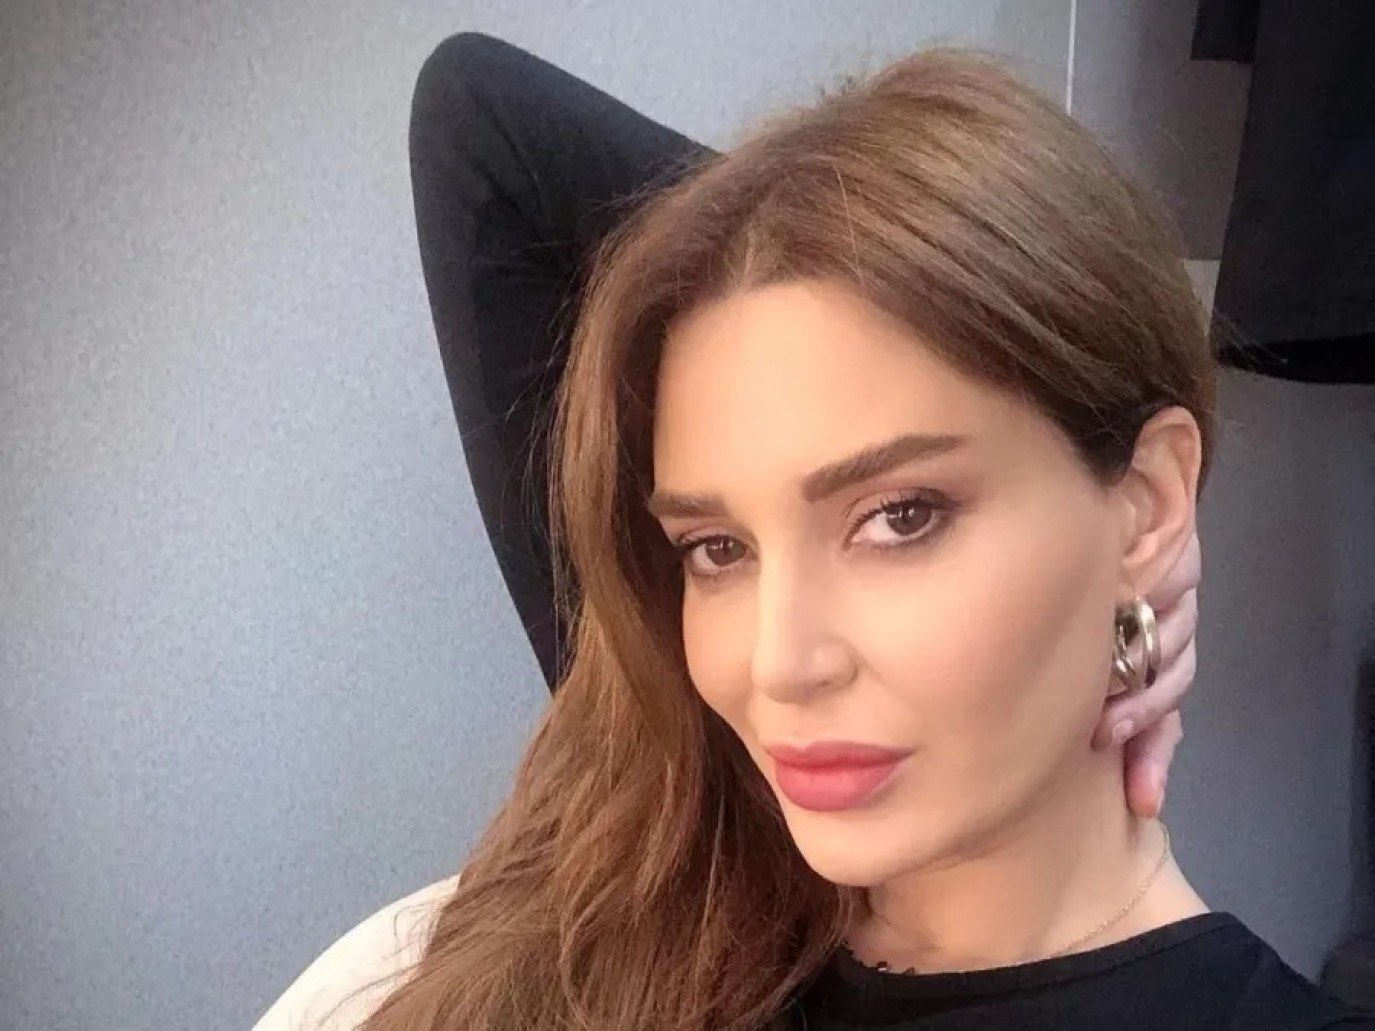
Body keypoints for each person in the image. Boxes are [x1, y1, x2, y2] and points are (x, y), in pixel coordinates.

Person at [258, 34, 1375, 1031]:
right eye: (717, 548)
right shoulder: (690, 852)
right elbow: (480, 124)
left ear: (1150, 500)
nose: (777, 666)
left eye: (898, 517)